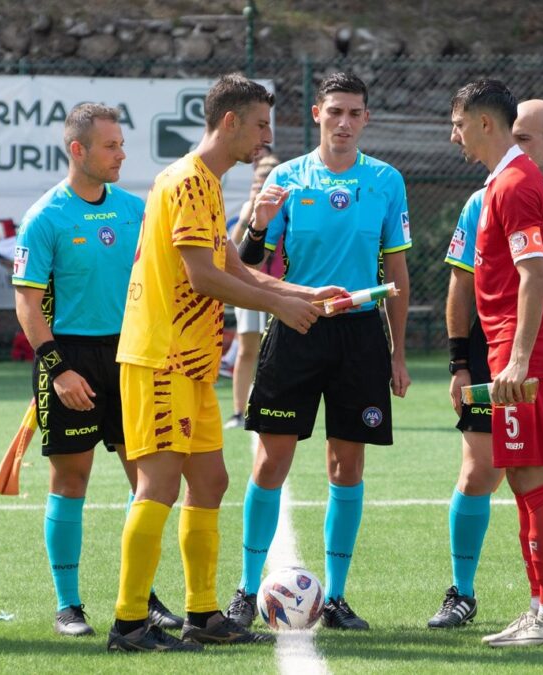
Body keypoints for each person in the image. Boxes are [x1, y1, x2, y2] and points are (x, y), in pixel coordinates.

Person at [108, 73, 334, 653]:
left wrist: (304, 293)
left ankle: (202, 614)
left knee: (210, 480)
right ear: (229, 121)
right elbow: (200, 276)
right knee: (157, 486)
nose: (266, 136)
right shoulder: (187, 180)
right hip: (160, 358)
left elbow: (232, 265)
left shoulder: (206, 183)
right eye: (260, 124)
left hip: (192, 362)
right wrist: (280, 304)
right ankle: (129, 624)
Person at [225, 71, 413, 632]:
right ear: (316, 115)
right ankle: (244, 589)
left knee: (346, 465)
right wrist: (257, 223)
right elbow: (248, 261)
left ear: (366, 119)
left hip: (360, 336)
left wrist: (398, 354)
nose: (345, 123)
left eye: (355, 113)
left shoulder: (386, 181)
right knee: (271, 459)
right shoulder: (287, 177)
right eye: (335, 112)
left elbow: (397, 270)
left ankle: (337, 598)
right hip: (299, 326)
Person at [429, 98, 543, 630]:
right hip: (521, 350)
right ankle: (542, 605)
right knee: (522, 477)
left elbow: (534, 274)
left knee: (537, 476)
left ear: (486, 123)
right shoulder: (518, 179)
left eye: (458, 125)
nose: (453, 137)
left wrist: (519, 359)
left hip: (520, 354)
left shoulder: (512, 185)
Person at [12, 103, 182, 638]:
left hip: (132, 357)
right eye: (111, 146)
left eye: (121, 144)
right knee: (71, 480)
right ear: (78, 150)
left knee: (147, 480)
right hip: (69, 359)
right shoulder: (45, 217)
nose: (122, 154)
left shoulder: (135, 210)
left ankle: (141, 597)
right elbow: (26, 301)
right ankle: (69, 606)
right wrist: (58, 371)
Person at [224, 153, 283, 429]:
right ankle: (238, 410)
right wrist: (250, 212)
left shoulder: (286, 205)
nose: (262, 187)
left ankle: (276, 406)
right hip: (249, 286)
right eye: (259, 181)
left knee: (279, 347)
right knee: (248, 348)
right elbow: (233, 249)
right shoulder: (249, 207)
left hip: (279, 286)